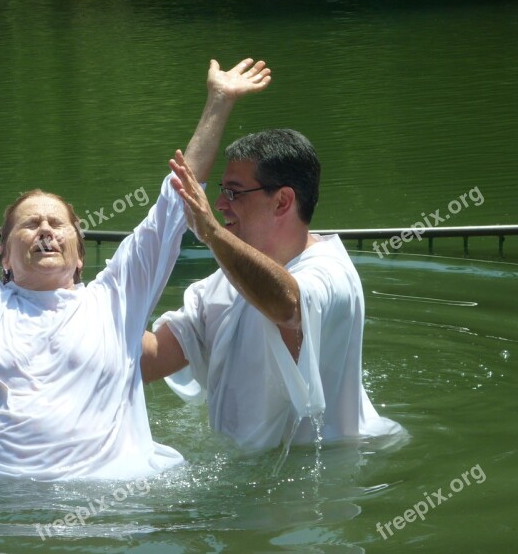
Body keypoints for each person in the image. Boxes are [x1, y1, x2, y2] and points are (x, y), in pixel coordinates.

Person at [0, 58, 271, 480]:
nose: (45, 230)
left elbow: (177, 200)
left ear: (80, 256)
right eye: (29, 224)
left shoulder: (114, 300)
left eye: (58, 224)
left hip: (108, 511)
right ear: (2, 257)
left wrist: (219, 101)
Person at [141, 128, 405, 450]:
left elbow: (287, 306)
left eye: (234, 192)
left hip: (321, 479)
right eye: (222, 190)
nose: (220, 204)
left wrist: (211, 233)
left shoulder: (330, 273)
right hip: (244, 475)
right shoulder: (222, 284)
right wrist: (78, 303)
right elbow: (148, 359)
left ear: (282, 201)